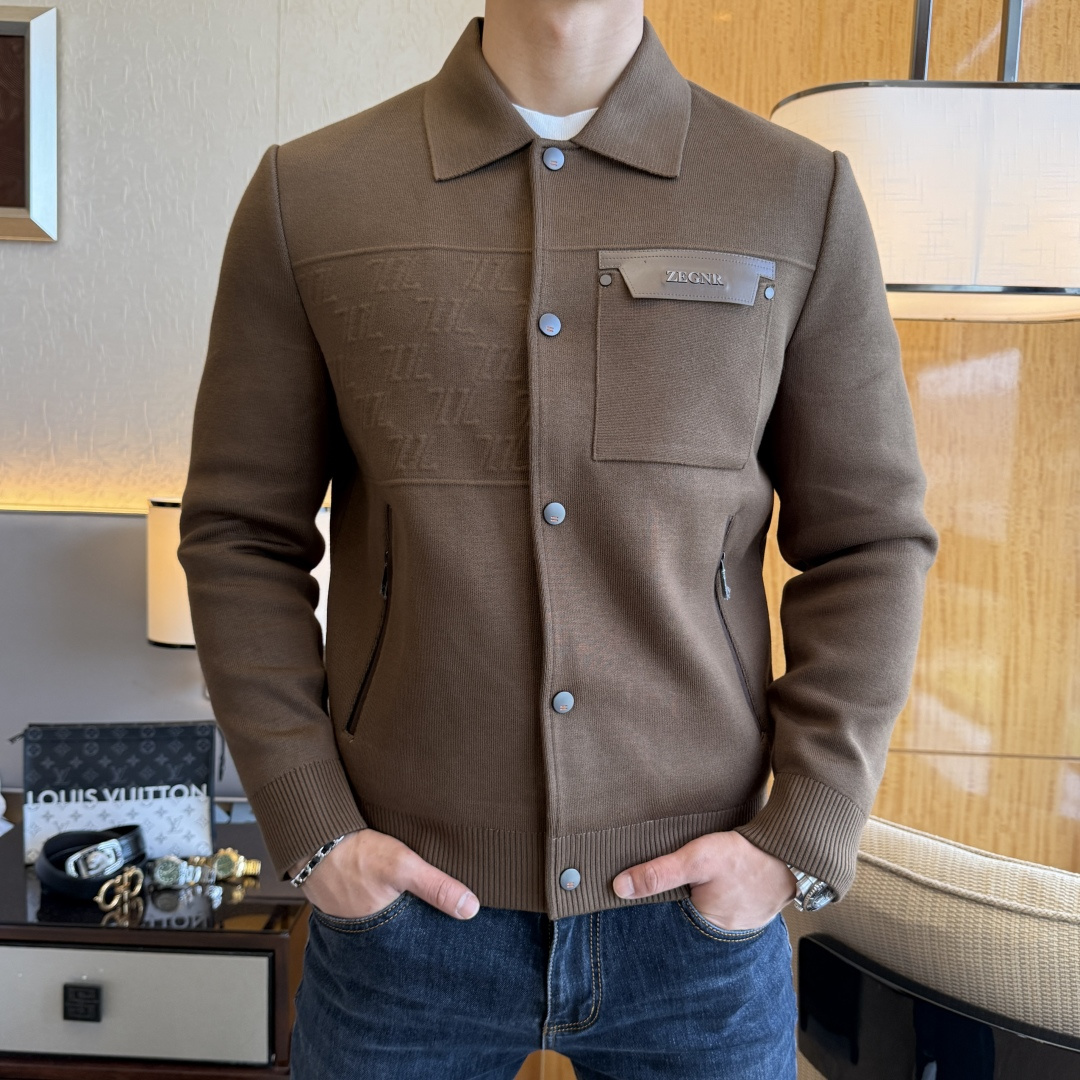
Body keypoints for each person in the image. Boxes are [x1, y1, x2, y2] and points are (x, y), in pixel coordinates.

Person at [177, 1, 939, 1076]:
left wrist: (797, 837)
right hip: (398, 926)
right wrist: (315, 830)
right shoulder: (311, 196)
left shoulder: (795, 195)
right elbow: (240, 536)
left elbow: (870, 542)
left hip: (699, 935)